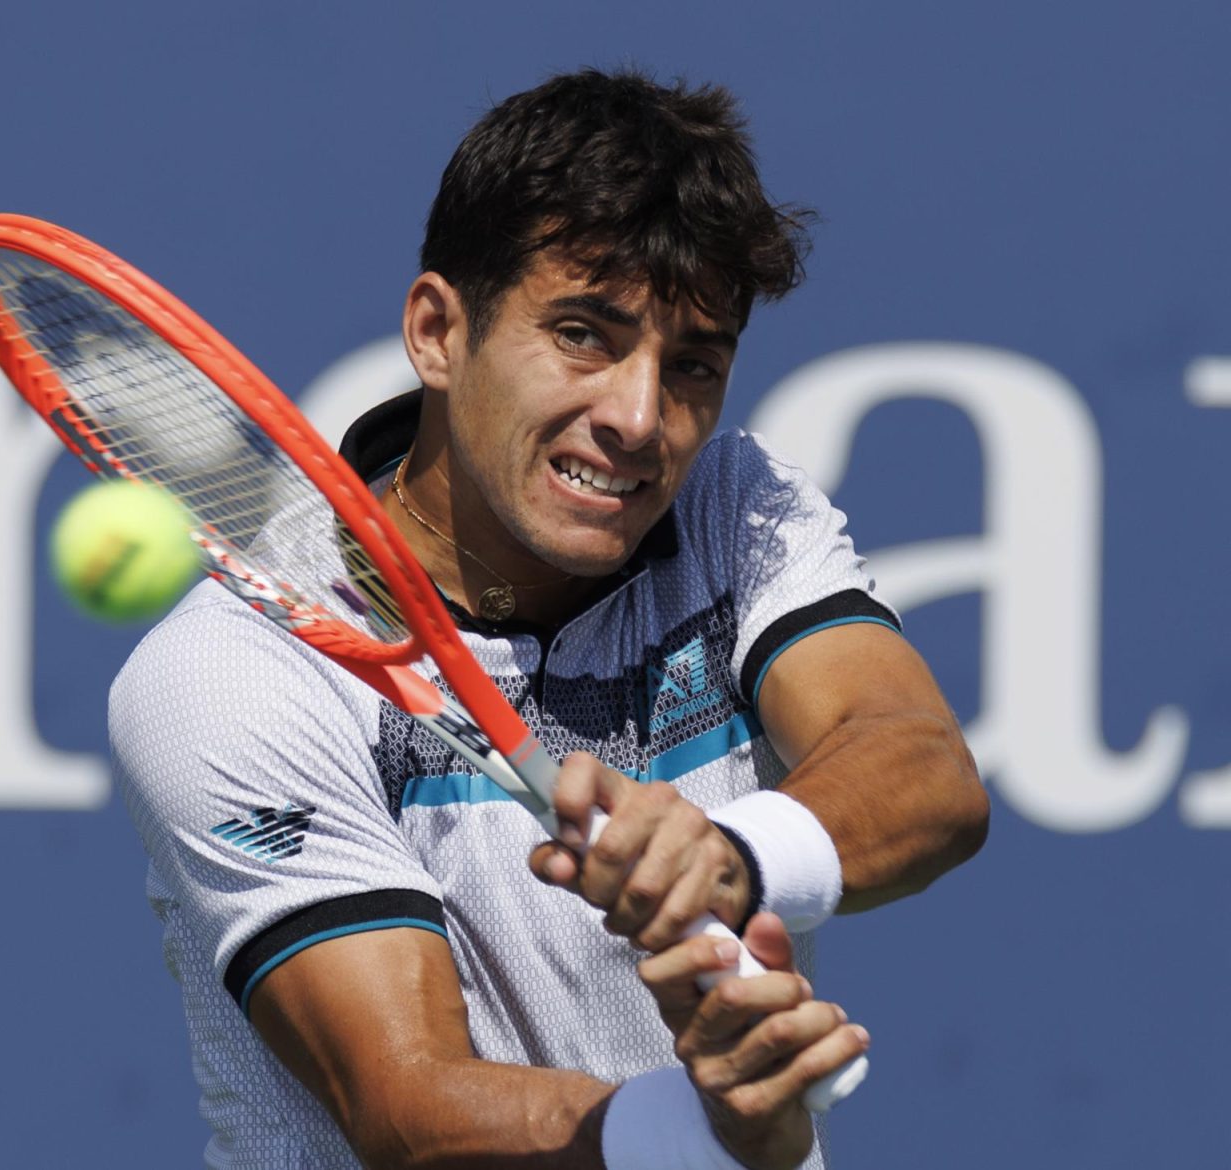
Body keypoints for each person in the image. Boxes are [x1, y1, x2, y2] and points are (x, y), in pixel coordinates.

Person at [110, 68, 988, 1170]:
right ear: (437, 331)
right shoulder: (231, 671)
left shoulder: (735, 510)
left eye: (694, 366)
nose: (637, 416)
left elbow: (922, 771)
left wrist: (724, 858)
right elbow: (410, 1109)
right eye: (583, 334)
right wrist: (708, 1131)